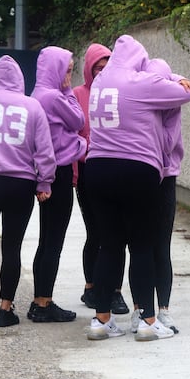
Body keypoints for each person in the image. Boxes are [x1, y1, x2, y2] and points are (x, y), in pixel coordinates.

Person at [85, 34, 190, 341]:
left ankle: (101, 319)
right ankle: (147, 320)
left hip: (97, 168)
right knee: (142, 246)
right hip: (136, 169)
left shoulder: (98, 85)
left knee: (109, 245)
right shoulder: (140, 84)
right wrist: (177, 76)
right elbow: (184, 94)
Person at [0, 55, 56, 327]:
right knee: (12, 247)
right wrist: (45, 182)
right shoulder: (33, 106)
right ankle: (5, 309)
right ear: (19, 79)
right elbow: (45, 151)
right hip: (20, 183)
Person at [129, 58, 190, 336]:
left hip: (165, 177)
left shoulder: (172, 107)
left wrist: (177, 81)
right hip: (144, 176)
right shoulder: (140, 101)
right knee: (140, 247)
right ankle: (141, 310)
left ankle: (163, 310)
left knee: (160, 247)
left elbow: (168, 143)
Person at [28, 45, 87, 323]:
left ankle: (39, 300)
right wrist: (81, 143)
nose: (69, 75)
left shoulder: (36, 94)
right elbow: (78, 119)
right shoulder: (54, 96)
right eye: (67, 69)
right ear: (54, 69)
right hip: (58, 174)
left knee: (45, 239)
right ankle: (43, 303)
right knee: (54, 242)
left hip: (44, 175)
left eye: (72, 70)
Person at [72, 43, 130, 315]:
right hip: (87, 170)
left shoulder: (119, 92)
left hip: (114, 168)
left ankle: (115, 291)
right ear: (88, 69)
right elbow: (73, 135)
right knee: (95, 231)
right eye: (97, 68)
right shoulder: (77, 95)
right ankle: (91, 286)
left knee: (117, 234)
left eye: (107, 68)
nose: (102, 73)